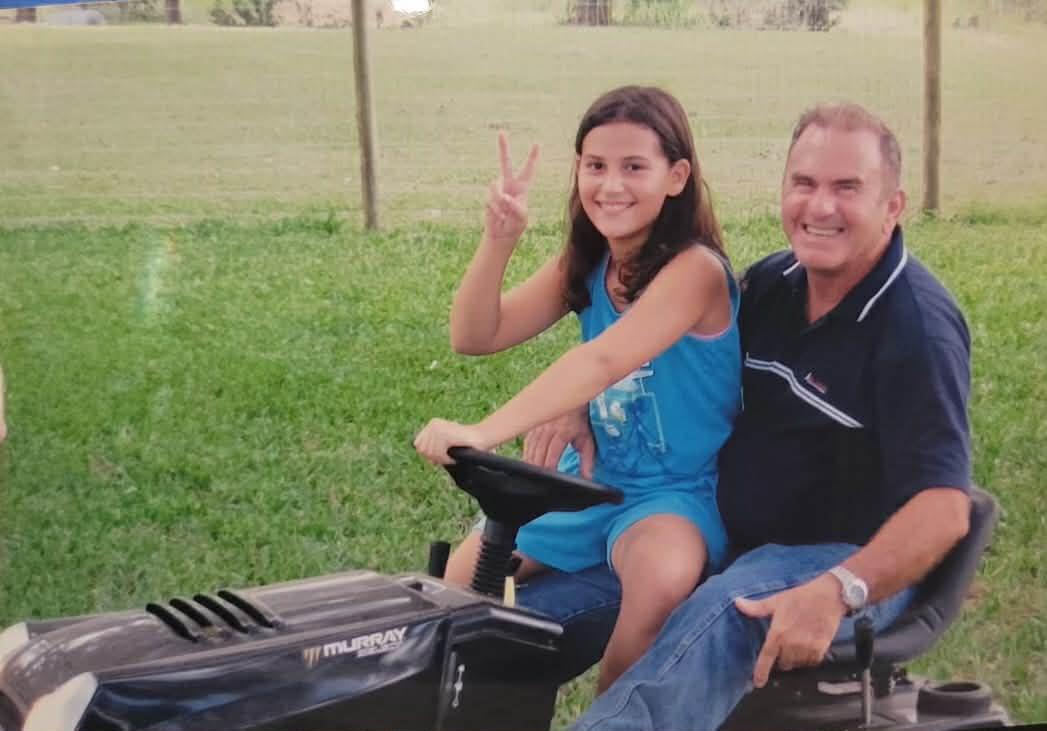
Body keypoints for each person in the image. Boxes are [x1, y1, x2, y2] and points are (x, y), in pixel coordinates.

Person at [516, 101, 974, 730]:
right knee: (521, 618)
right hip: (722, 534)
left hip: (837, 556)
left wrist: (840, 587)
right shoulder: (773, 284)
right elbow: (657, 363)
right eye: (804, 183)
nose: (819, 207)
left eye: (848, 188)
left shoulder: (915, 327)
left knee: (731, 613)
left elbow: (946, 508)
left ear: (893, 206)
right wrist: (576, 402)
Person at [414, 85, 742, 691]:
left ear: (676, 177)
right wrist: (500, 238)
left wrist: (483, 432)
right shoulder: (589, 263)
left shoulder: (695, 271)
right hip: (590, 478)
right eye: (595, 166)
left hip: (673, 493)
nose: (610, 185)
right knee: (449, 594)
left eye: (633, 167)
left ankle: (612, 714)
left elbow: (604, 359)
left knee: (659, 584)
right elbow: (475, 334)